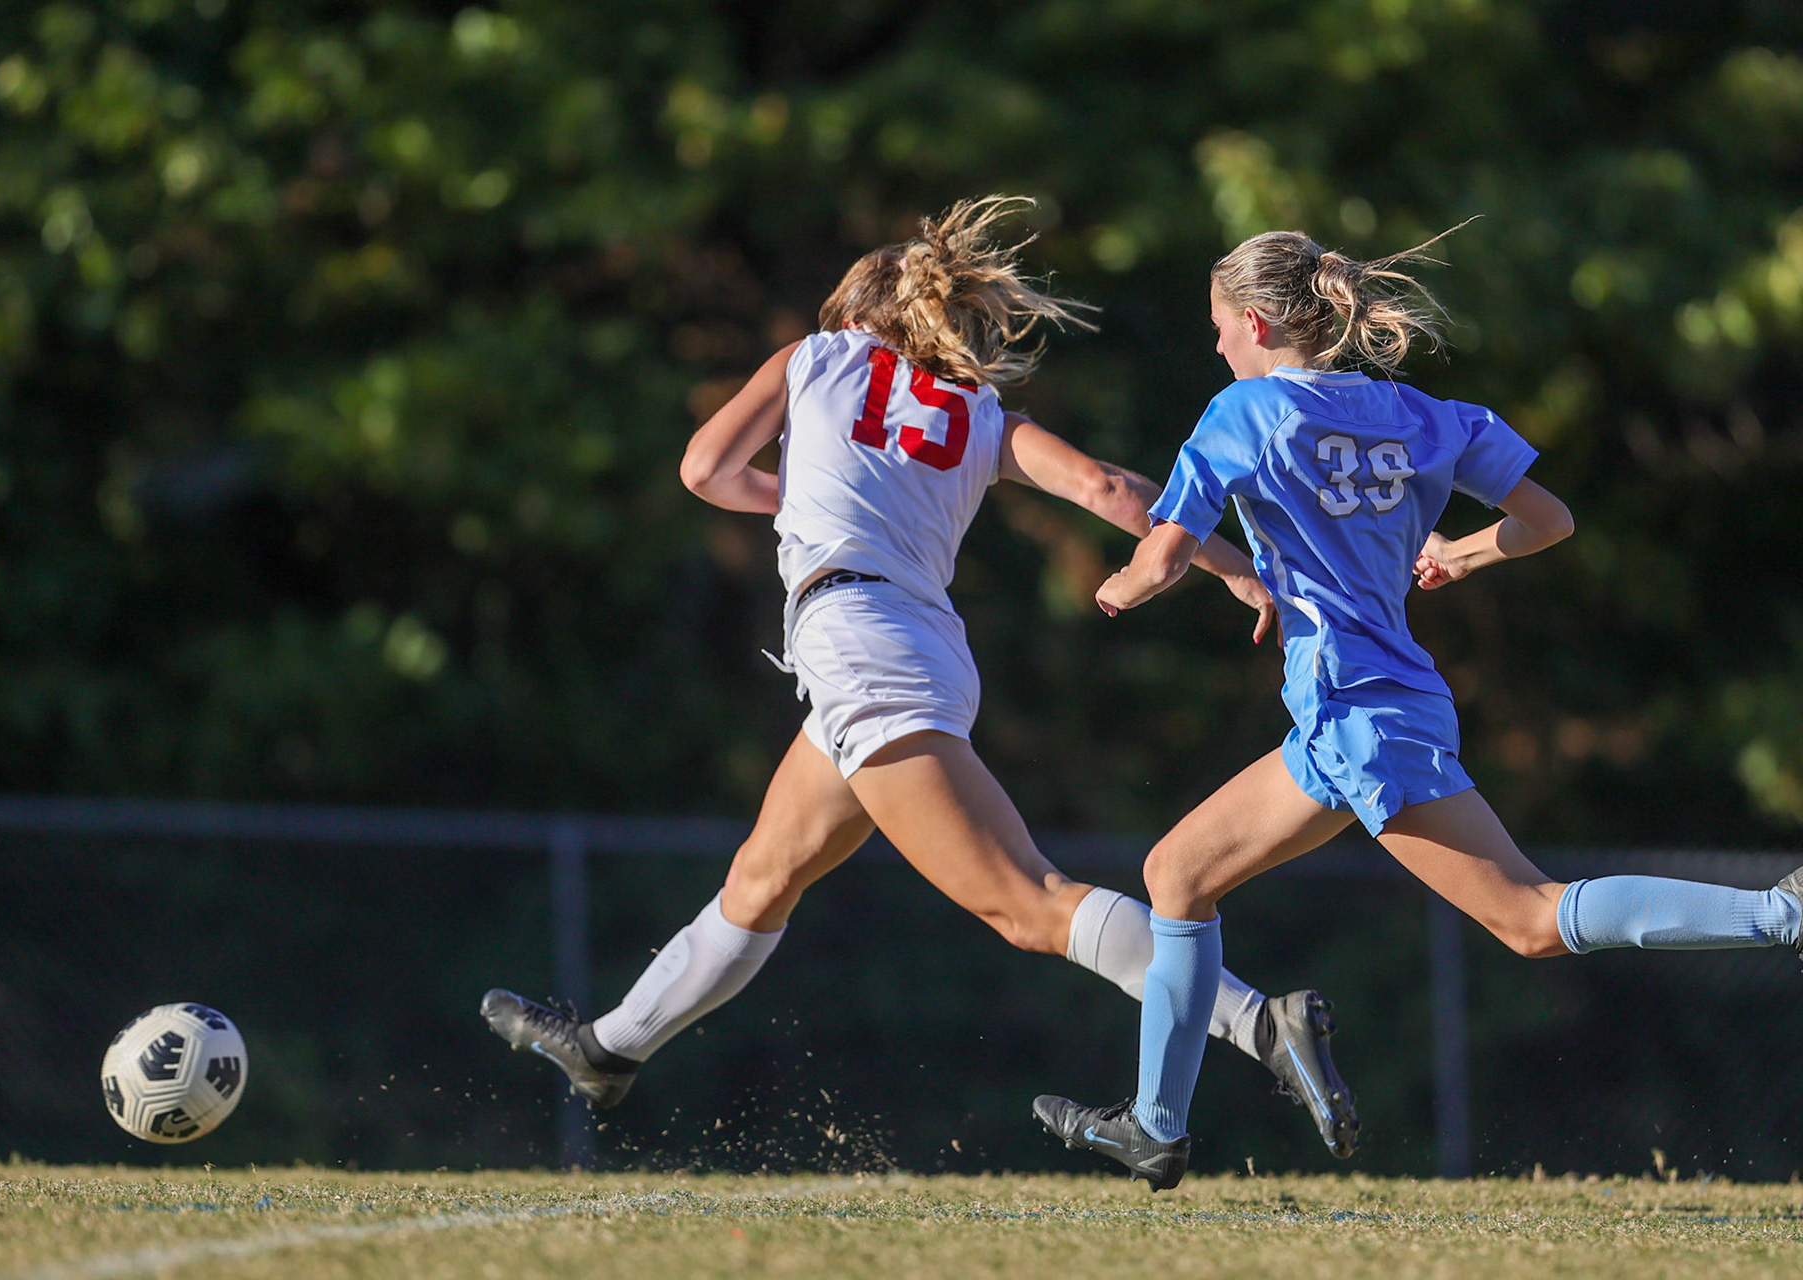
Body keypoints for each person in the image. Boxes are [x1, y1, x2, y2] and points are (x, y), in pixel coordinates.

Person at [481, 196, 1360, 1157]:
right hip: (920, 643)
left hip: (859, 642)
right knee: (765, 875)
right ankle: (608, 1049)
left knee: (1027, 903)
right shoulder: (980, 410)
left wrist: (810, 488)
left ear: (859, 316)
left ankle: (1255, 1024)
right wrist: (1236, 567)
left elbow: (705, 469)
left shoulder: (813, 359)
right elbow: (1109, 488)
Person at [1033, 225, 1803, 1190]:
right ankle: (1155, 1127)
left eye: (1222, 328)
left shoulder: (1244, 413)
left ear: (1258, 322)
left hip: (1360, 715)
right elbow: (1548, 520)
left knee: (1527, 917)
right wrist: (1461, 554)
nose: (1219, 346)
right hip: (1358, 712)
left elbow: (1162, 555)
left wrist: (1117, 588)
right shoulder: (1425, 414)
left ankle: (1781, 912)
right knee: (1176, 875)